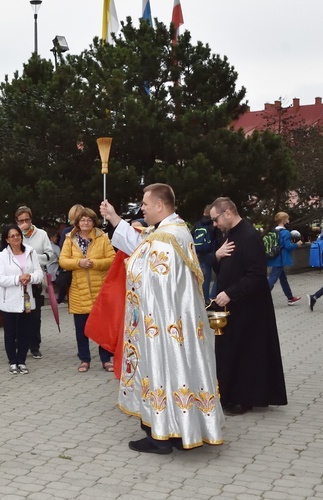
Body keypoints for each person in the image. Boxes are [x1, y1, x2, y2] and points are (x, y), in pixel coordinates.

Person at [100, 184, 223, 453]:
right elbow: (141, 242)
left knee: (163, 370)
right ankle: (182, 431)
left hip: (163, 324)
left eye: (145, 203)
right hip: (179, 322)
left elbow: (149, 276)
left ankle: (160, 437)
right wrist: (114, 218)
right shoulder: (175, 230)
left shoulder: (165, 239)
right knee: (180, 371)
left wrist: (130, 265)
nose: (142, 207)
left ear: (159, 205)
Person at [209, 197, 288, 415]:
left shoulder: (250, 235)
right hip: (231, 304)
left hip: (248, 306)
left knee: (245, 352)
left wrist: (230, 293)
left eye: (215, 219)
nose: (214, 224)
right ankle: (228, 394)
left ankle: (244, 399)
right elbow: (224, 266)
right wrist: (217, 256)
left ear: (227, 213)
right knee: (229, 350)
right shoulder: (231, 235)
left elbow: (256, 275)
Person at [59, 207, 115, 373]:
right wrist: (79, 263)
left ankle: (106, 359)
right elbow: (63, 260)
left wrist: (94, 263)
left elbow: (112, 259)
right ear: (77, 222)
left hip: (100, 289)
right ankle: (84, 359)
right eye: (82, 220)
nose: (85, 223)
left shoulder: (102, 237)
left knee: (103, 327)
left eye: (89, 220)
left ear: (94, 222)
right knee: (81, 329)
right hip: (78, 289)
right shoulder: (70, 238)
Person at [0, 224, 44, 375]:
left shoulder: (30, 252)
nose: (16, 238)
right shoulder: (3, 255)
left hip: (27, 298)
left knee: (25, 331)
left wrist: (29, 277)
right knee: (10, 332)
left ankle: (22, 361)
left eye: (17, 235)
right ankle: (12, 361)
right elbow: (0, 279)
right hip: (10, 299)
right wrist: (18, 278)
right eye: (12, 236)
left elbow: (39, 274)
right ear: (7, 239)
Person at [15, 206, 51, 359]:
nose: (24, 223)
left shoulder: (41, 234)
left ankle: (35, 345)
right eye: (21, 220)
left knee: (35, 314)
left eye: (27, 220)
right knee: (19, 313)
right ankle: (20, 343)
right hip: (18, 280)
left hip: (35, 280)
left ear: (31, 219)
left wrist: (34, 257)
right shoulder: (14, 235)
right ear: (17, 221)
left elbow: (50, 255)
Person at [267, 211, 302, 305]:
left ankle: (290, 297)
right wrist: (297, 244)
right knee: (272, 279)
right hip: (281, 259)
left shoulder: (273, 231)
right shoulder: (285, 232)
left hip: (273, 257)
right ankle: (261, 298)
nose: (288, 220)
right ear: (283, 220)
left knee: (283, 278)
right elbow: (288, 246)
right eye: (287, 219)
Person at [192, 206, 216, 304]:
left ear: (203, 213)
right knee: (208, 278)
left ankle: (201, 301)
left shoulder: (197, 224)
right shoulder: (213, 225)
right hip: (209, 254)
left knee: (201, 279)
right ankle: (208, 300)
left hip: (198, 255)